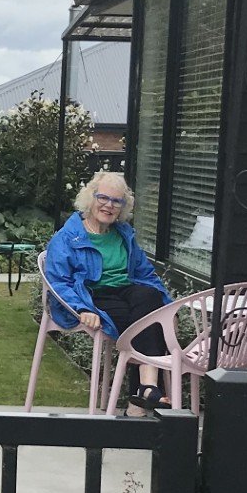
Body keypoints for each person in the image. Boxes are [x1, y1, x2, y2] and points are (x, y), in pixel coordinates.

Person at [44, 171, 171, 412]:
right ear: (90, 198)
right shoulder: (68, 237)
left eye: (117, 201)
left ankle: (144, 389)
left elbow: (145, 274)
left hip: (125, 291)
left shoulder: (123, 235)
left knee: (151, 300)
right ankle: (145, 391)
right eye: (103, 198)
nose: (109, 205)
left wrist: (168, 307)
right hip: (91, 295)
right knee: (145, 320)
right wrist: (82, 307)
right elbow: (59, 281)